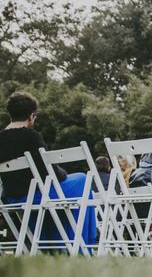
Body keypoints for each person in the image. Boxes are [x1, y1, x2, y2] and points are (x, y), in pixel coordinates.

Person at [0, 92, 96, 250]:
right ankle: (82, 243)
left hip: (13, 198)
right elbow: (51, 173)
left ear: (10, 114)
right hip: (36, 196)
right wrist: (63, 173)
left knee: (66, 194)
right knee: (82, 180)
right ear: (32, 115)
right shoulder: (31, 136)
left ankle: (56, 245)